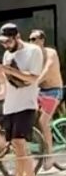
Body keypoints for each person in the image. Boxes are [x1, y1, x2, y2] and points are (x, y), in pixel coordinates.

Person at [0, 23, 44, 176]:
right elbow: (9, 80)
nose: (5, 46)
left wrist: (9, 70)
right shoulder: (7, 54)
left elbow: (33, 77)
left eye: (8, 41)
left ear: (17, 37)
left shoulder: (33, 51)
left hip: (27, 104)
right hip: (11, 104)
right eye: (3, 42)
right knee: (18, 147)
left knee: (19, 143)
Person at [29, 28, 62, 166]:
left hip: (54, 91)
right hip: (40, 90)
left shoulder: (51, 53)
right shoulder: (33, 56)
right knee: (28, 114)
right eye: (30, 39)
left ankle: (49, 154)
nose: (33, 42)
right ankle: (38, 146)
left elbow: (47, 70)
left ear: (42, 40)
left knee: (43, 121)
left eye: (35, 39)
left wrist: (34, 82)